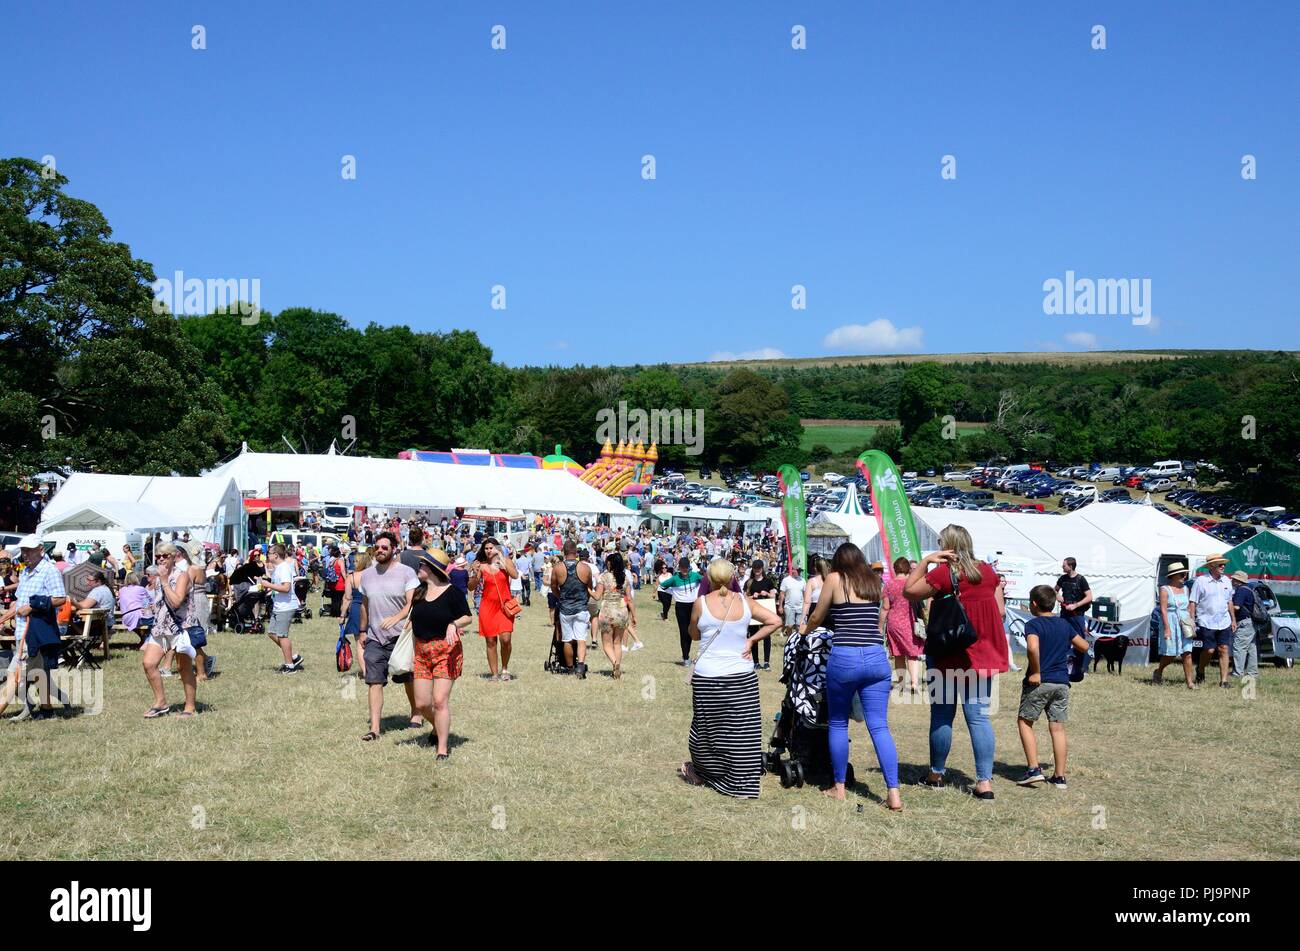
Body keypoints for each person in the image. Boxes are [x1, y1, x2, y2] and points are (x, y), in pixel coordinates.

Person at [905, 524, 1009, 800]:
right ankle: (984, 783)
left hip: (948, 654)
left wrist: (926, 561)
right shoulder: (987, 572)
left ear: (947, 545)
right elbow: (999, 610)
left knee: (942, 716)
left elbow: (909, 591)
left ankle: (936, 775)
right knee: (978, 718)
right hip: (982, 654)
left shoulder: (944, 573)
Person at [804, 543, 901, 809]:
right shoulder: (873, 579)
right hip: (876, 657)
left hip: (845, 656)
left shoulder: (835, 579)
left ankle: (839, 787)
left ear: (838, 561)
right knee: (879, 726)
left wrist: (804, 629)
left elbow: (818, 614)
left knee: (837, 722)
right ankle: (893, 793)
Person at [679, 558, 782, 797]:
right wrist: (752, 639)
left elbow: (693, 635)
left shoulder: (701, 603)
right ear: (732, 578)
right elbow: (775, 620)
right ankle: (742, 780)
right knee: (741, 732)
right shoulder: (745, 602)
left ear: (710, 579)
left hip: (709, 677)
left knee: (706, 730)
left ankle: (708, 772)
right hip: (742, 677)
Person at [1015, 585, 1090, 790]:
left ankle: (1033, 770)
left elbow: (1032, 647)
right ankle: (1059, 776)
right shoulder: (1064, 625)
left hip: (1041, 682)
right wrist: (1076, 666)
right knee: (1057, 728)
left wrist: (1036, 671)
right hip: (1062, 683)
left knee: (1025, 721)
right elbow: (1084, 646)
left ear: (1033, 604)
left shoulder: (1034, 625)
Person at [407, 550, 472, 760]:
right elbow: (411, 619)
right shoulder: (418, 591)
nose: (419, 569)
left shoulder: (452, 592)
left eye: (423, 565)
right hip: (422, 652)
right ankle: (438, 727)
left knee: (439, 700)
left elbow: (467, 617)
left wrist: (454, 624)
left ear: (433, 568)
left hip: (446, 650)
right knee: (422, 704)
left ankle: (442, 748)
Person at [358, 532, 421, 741]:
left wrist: (396, 618)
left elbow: (411, 603)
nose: (380, 550)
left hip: (400, 635)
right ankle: (375, 728)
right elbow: (365, 605)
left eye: (384, 547)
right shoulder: (366, 575)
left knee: (406, 677)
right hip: (375, 637)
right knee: (374, 681)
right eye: (377, 547)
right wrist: (362, 630)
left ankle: (416, 712)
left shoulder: (406, 572)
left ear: (394, 548)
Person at [0, 536, 68, 721]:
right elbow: (21, 599)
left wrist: (33, 606)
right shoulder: (25, 571)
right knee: (40, 674)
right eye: (23, 550)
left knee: (15, 673)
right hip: (23, 631)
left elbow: (60, 598)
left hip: (34, 632)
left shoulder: (49, 571)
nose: (25, 554)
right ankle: (47, 711)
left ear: (41, 550)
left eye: (29, 550)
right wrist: (12, 610)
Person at [143, 543, 198, 719]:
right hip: (160, 627)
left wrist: (165, 581)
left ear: (174, 556)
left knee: (183, 668)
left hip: (180, 628)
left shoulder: (182, 576)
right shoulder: (158, 577)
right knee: (149, 664)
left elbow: (176, 602)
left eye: (165, 556)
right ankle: (161, 702)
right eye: (158, 556)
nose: (160, 559)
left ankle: (189, 707)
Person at [469, 537, 519, 682]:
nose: (488, 551)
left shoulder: (505, 562)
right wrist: (473, 572)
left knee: (506, 639)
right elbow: (471, 587)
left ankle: (504, 668)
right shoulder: (482, 566)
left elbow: (515, 575)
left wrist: (503, 561)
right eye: (486, 548)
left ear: (497, 548)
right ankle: (494, 674)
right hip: (487, 606)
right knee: (490, 641)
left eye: (491, 548)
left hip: (504, 606)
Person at [1189, 553, 1235, 689]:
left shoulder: (1227, 581)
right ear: (1210, 566)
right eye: (1220, 564)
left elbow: (1229, 601)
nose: (1223, 566)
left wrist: (1233, 619)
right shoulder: (1200, 581)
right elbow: (1193, 602)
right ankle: (1201, 669)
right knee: (1209, 650)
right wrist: (1192, 621)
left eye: (1224, 564)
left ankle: (1224, 681)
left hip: (1224, 621)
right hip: (1206, 621)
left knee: (1224, 649)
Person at [256, 544, 304, 673]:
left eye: (269, 553)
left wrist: (269, 584)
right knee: (272, 633)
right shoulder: (278, 568)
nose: (268, 555)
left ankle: (289, 666)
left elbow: (286, 588)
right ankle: (293, 657)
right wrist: (266, 585)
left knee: (282, 636)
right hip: (279, 605)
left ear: (276, 555)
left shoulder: (283, 568)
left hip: (286, 606)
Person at [551, 540, 595, 678]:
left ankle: (570, 668)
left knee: (567, 640)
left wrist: (560, 597)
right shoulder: (585, 568)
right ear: (576, 552)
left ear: (563, 552)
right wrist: (584, 600)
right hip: (581, 607)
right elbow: (589, 588)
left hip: (565, 608)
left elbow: (553, 587)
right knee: (581, 639)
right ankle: (580, 666)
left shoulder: (558, 568)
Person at [884, 557, 925, 694]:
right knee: (912, 654)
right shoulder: (911, 583)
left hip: (893, 623)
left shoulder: (888, 585)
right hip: (909, 622)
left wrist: (879, 625)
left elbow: (885, 607)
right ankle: (914, 683)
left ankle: (901, 684)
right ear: (908, 569)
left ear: (895, 569)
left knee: (898, 654)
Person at [1153, 562, 1195, 688]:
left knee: (1187, 652)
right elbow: (1163, 610)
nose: (1184, 576)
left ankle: (1190, 682)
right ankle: (1158, 671)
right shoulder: (1164, 589)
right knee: (1170, 654)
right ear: (1174, 575)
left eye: (1185, 573)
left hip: (1184, 622)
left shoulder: (1186, 589)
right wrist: (1167, 628)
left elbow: (1188, 607)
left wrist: (1191, 621)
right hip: (1170, 622)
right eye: (1182, 574)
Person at [594, 551, 635, 679]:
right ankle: (616, 668)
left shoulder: (604, 577)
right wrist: (634, 615)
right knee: (617, 643)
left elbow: (597, 596)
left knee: (607, 644)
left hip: (607, 612)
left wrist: (587, 589)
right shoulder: (625, 578)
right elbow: (629, 599)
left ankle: (615, 664)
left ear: (610, 563)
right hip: (622, 612)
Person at [659, 557, 703, 667]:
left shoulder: (695, 576)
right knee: (684, 632)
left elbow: (707, 583)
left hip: (693, 606)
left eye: (685, 568)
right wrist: (673, 593)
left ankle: (694, 655)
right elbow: (662, 587)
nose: (684, 570)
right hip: (680, 607)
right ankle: (686, 657)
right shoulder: (674, 579)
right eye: (682, 568)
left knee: (693, 631)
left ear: (689, 568)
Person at [339, 548, 370, 678]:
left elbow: (347, 598)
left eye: (356, 560)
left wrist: (342, 615)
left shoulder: (351, 577)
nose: (354, 562)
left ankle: (365, 672)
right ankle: (374, 668)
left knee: (359, 643)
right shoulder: (372, 575)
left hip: (357, 608)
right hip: (373, 608)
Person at [743, 559, 778, 670]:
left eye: (759, 568)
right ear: (752, 569)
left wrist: (766, 593)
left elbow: (773, 596)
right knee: (754, 636)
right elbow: (744, 598)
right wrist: (753, 596)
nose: (757, 570)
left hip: (766, 610)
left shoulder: (768, 581)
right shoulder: (749, 582)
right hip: (753, 610)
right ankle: (756, 662)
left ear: (762, 569)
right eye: (755, 568)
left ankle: (766, 662)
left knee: (766, 635)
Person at [1229, 571, 1259, 680]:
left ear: (1238, 581)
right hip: (1251, 622)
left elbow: (1236, 607)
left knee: (1238, 647)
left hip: (1244, 623)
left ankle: (1237, 673)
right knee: (1251, 648)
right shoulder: (1249, 589)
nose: (1232, 581)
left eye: (1233, 579)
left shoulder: (1241, 590)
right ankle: (1252, 673)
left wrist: (1227, 608)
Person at [117, 572, 155, 648]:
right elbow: (149, 601)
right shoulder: (141, 589)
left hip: (126, 619)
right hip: (136, 617)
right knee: (156, 620)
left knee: (147, 617)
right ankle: (147, 641)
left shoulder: (122, 590)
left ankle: (144, 639)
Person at [777, 564, 804, 639]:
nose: (799, 572)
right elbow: (782, 594)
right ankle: (789, 639)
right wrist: (780, 606)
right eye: (797, 570)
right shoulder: (786, 580)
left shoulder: (802, 580)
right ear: (792, 570)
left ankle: (798, 641)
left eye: (799, 571)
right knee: (789, 625)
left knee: (799, 626)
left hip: (800, 607)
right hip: (789, 606)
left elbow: (805, 594)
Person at [802, 555, 827, 625]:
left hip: (815, 610)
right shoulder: (830, 580)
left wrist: (803, 618)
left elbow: (807, 602)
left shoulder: (811, 581)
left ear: (815, 568)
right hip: (828, 610)